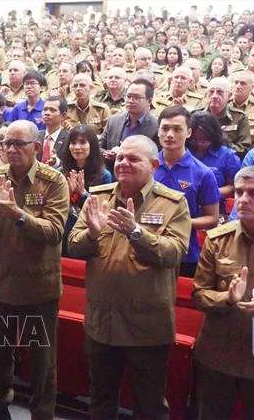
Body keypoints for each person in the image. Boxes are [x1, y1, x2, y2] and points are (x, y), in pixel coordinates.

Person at [68, 135, 191, 419]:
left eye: (133, 159)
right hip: (103, 322)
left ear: (154, 164)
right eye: (120, 157)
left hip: (146, 326)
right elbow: (73, 246)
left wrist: (136, 233)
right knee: (100, 400)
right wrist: (92, 233)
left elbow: (173, 253)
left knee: (149, 405)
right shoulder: (97, 197)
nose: (123, 163)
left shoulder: (173, 204)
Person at [0, 120, 69, 419]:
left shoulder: (53, 181)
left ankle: (42, 414)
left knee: (42, 361)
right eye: (6, 143)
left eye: (18, 144)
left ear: (36, 147)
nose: (10, 149)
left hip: (40, 288)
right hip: (2, 284)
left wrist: (17, 214)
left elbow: (54, 232)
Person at [192, 165, 254, 420]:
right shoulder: (218, 239)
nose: (243, 199)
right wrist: (228, 299)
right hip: (218, 354)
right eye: (240, 191)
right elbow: (199, 295)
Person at [154, 105, 220, 277]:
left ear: (188, 133)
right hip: (145, 248)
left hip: (184, 254)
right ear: (158, 131)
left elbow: (212, 218)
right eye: (165, 128)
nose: (170, 134)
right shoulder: (145, 166)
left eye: (177, 129)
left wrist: (176, 223)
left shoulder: (203, 173)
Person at [59, 125, 113, 257]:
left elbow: (103, 211)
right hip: (63, 232)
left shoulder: (104, 175)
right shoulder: (61, 172)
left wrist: (83, 194)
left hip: (88, 234)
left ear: (92, 145)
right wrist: (66, 195)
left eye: (83, 142)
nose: (77, 147)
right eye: (73, 143)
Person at [187, 111, 242, 217]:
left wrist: (208, 192)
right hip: (187, 209)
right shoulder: (185, 151)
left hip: (217, 210)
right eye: (194, 140)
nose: (199, 144)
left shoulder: (227, 155)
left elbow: (234, 186)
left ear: (213, 137)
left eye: (204, 141)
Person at [100, 79, 159, 173]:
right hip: (112, 174)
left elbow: (157, 157)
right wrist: (109, 153)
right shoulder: (114, 121)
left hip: (140, 177)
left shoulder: (156, 126)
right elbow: (99, 147)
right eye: (128, 96)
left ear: (149, 101)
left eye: (136, 97)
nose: (131, 101)